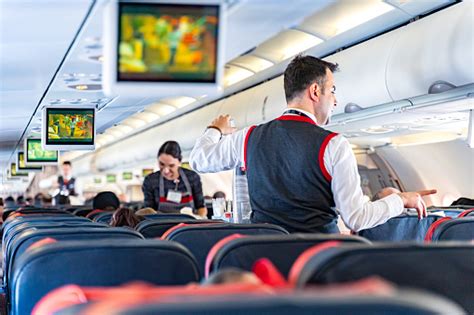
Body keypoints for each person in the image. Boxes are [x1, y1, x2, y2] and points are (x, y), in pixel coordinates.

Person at [190, 55, 436, 233]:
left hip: (264, 257)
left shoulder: (248, 137)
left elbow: (199, 159)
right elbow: (357, 218)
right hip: (319, 263)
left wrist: (215, 130)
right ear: (315, 91)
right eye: (332, 91)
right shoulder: (334, 145)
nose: (336, 101)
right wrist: (400, 200)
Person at [142, 141, 207, 217]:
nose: (166, 170)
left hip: (188, 225)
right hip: (160, 224)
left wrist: (200, 220)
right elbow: (149, 211)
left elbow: (201, 207)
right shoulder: (150, 180)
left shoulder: (192, 177)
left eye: (171, 165)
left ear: (180, 161)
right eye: (161, 164)